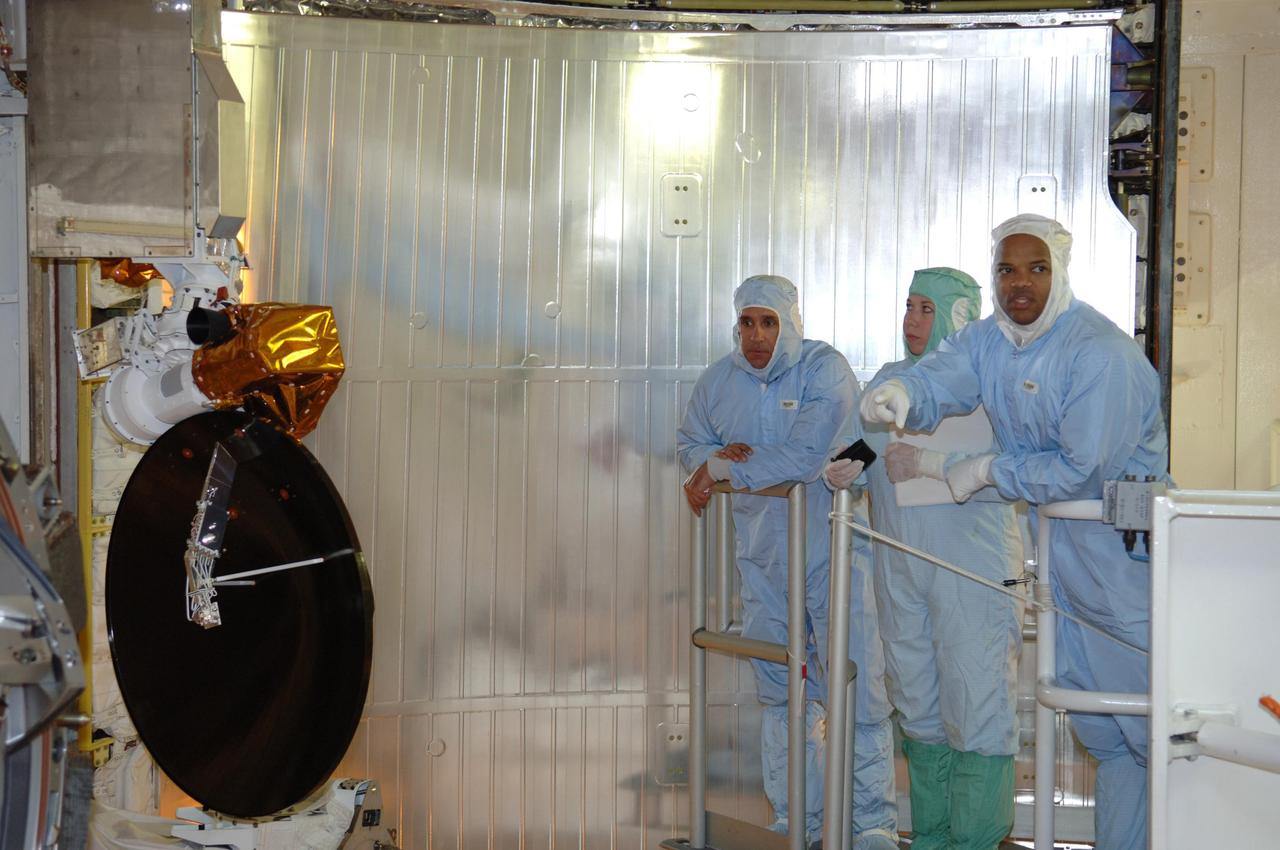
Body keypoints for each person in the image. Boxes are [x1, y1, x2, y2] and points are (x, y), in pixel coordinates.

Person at [860, 215, 1169, 850]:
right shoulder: (991, 341)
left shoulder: (1100, 353)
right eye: (1006, 269)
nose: (1019, 283)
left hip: (1122, 565)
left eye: (1036, 268)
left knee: (1147, 727)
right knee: (1107, 734)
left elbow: (1083, 470)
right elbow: (942, 375)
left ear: (1060, 273)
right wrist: (904, 391)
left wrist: (971, 469)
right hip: (1062, 563)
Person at [677, 274, 898, 850]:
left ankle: (870, 824)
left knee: (856, 685)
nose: (756, 336)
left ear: (790, 324)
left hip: (832, 553)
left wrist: (721, 470)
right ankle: (795, 818)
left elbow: (803, 457)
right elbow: (689, 443)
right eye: (747, 322)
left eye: (768, 323)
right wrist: (711, 454)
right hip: (763, 561)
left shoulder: (824, 369)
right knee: (780, 691)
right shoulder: (719, 381)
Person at [826, 267, 1025, 850]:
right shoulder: (890, 383)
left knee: (976, 701)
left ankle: (975, 839)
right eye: (909, 306)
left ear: (958, 319)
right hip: (902, 569)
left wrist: (934, 465)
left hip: (973, 571)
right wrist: (847, 464)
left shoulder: (991, 386)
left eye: (926, 309)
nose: (912, 320)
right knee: (916, 701)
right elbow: (868, 443)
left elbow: (1018, 468)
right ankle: (932, 836)